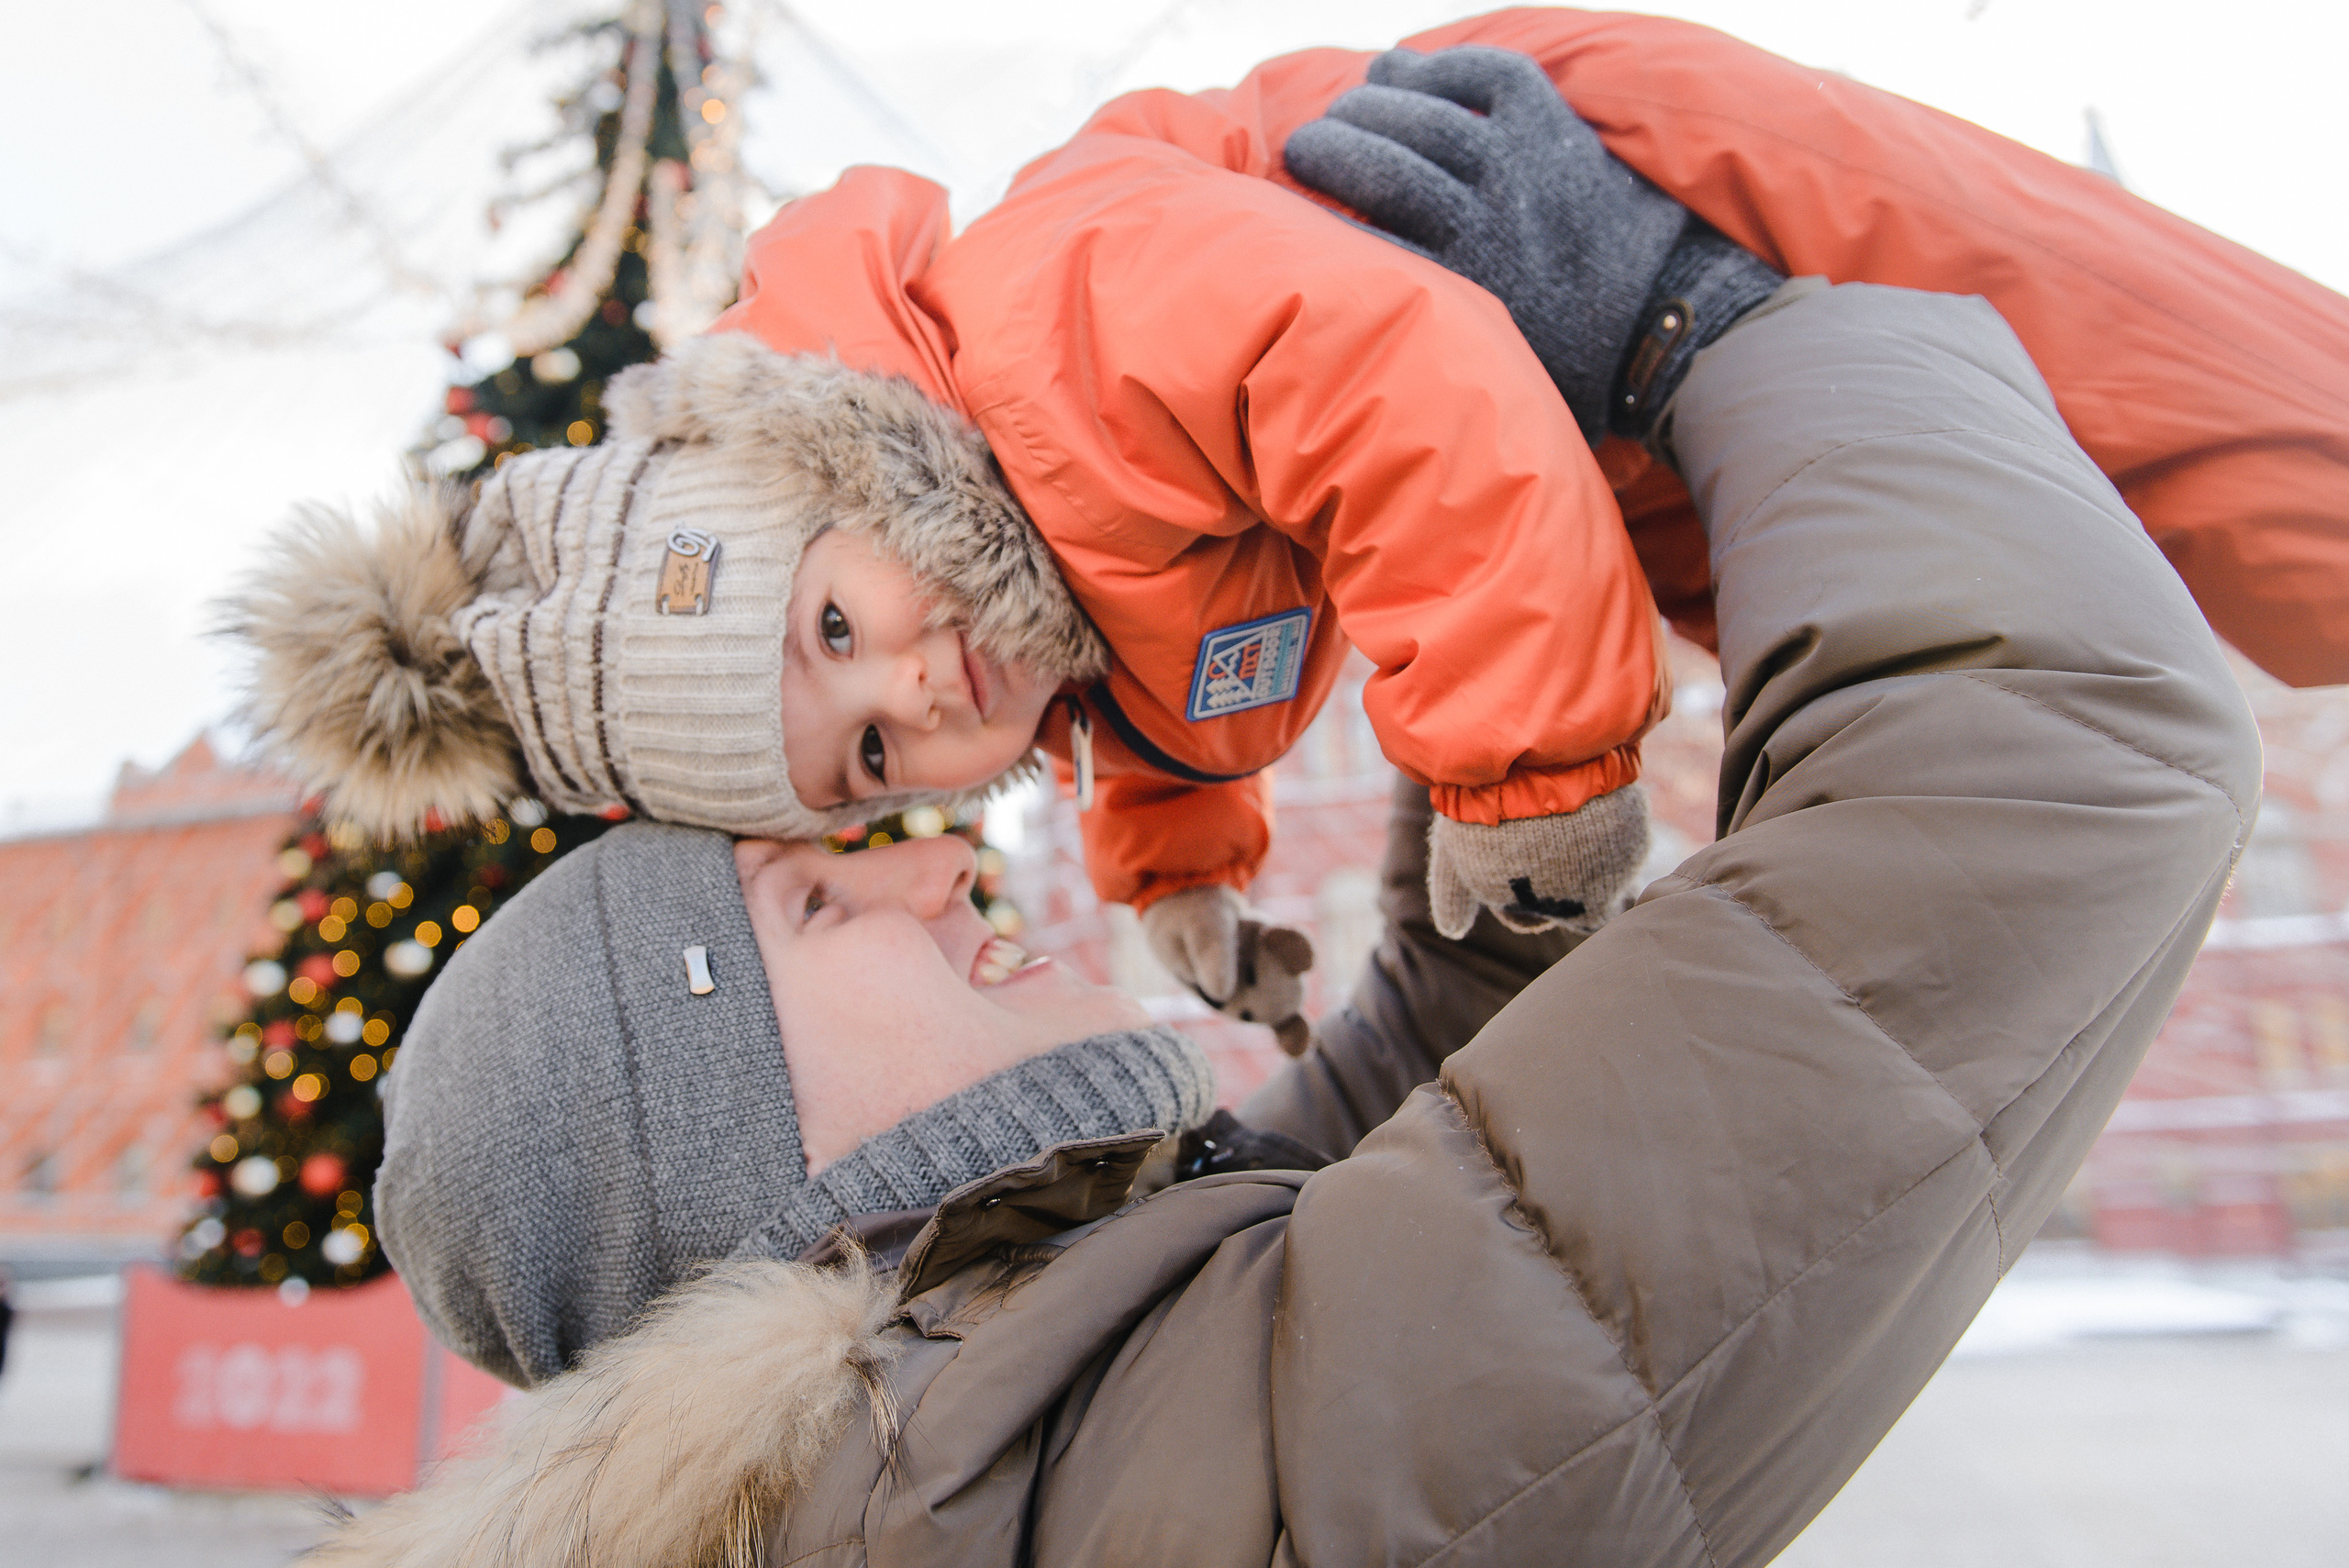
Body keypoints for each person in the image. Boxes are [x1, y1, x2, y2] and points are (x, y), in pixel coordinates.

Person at [307, 255, 2260, 1561]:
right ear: (751, 1182)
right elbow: (2058, 761)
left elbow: (1414, 1149)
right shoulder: (1138, 1486)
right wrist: (1722, 324)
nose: (940, 852)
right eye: (824, 903)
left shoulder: (996, 1413)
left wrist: (1494, 750)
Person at [228, 11, 2349, 1057]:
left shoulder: (1052, 318)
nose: (923, 691)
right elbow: (1156, 682)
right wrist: (1178, 873)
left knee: (2194, 435)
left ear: (825, 489)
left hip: (1596, 179)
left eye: (833, 628)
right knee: (2070, 602)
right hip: (1612, 421)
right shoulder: (1029, 581)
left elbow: (1396, 388)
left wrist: (1525, 779)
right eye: (868, 754)